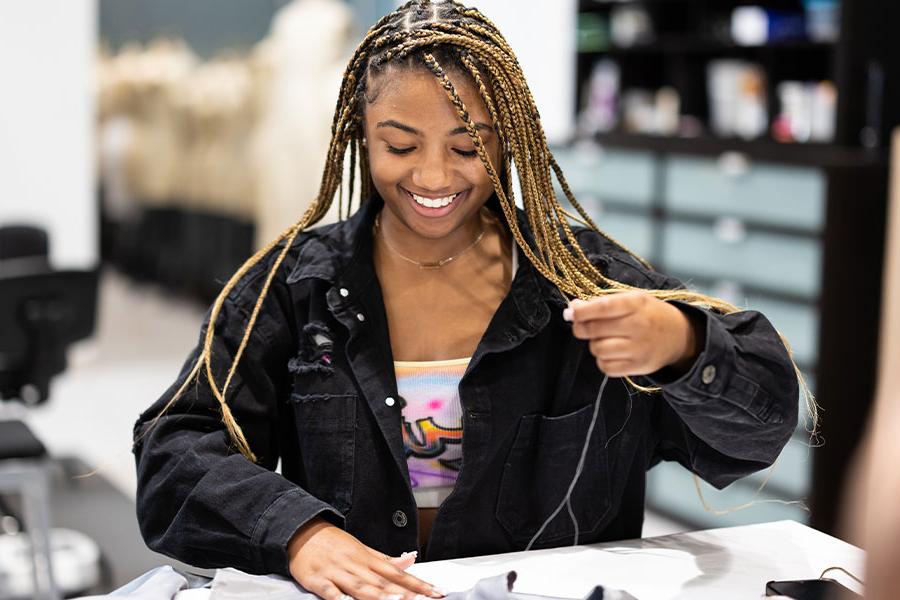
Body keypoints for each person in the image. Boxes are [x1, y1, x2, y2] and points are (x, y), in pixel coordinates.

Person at [132, 2, 805, 599]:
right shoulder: (292, 287)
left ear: (509, 138)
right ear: (358, 136)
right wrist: (297, 533)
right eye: (400, 145)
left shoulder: (585, 279)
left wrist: (684, 346)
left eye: (468, 147)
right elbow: (173, 451)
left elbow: (761, 430)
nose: (432, 176)